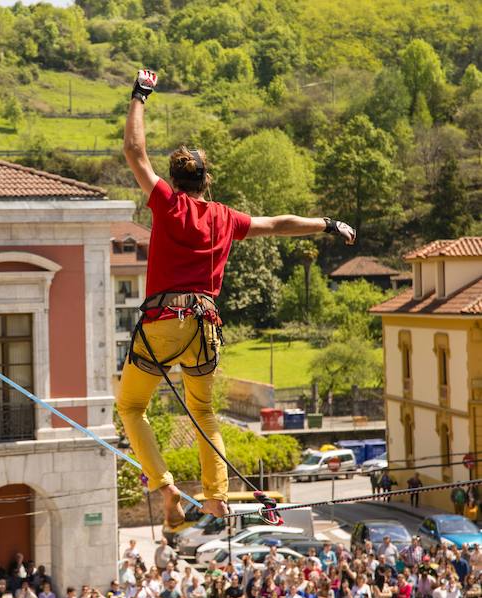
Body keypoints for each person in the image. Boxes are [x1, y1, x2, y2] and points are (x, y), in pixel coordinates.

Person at [119, 68, 356, 528]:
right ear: (207, 181)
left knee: (131, 407)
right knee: (204, 411)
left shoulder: (167, 204)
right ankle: (215, 498)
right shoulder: (226, 217)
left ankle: (165, 486)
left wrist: (140, 96)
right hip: (205, 328)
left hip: (163, 322)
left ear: (175, 179)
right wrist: (326, 223)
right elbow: (280, 223)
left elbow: (134, 150)